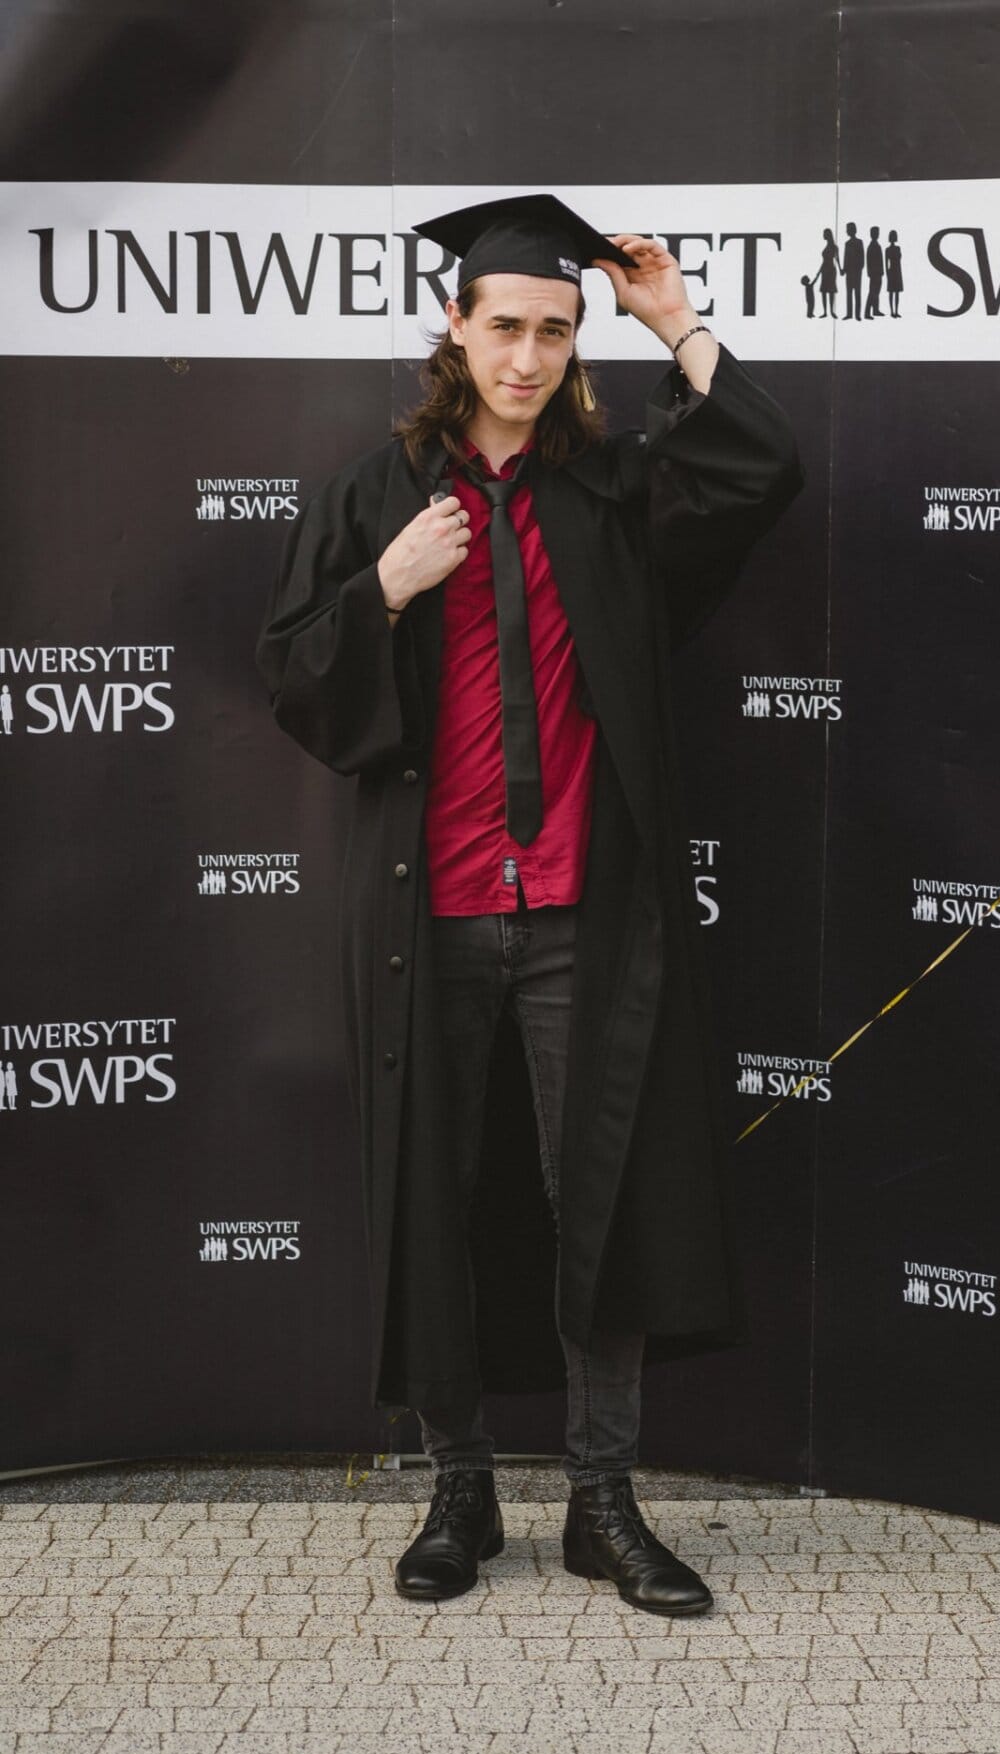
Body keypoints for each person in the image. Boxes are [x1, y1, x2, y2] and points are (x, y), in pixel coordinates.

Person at [257, 193, 802, 1618]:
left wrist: (673, 320)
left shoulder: (614, 496)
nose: (529, 357)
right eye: (506, 326)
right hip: (424, 917)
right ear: (456, 327)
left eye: (556, 331)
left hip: (583, 915)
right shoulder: (376, 498)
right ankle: (461, 1489)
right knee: (438, 1198)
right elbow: (296, 676)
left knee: (601, 1203)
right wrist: (384, 586)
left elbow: (758, 469)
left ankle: (604, 1500)